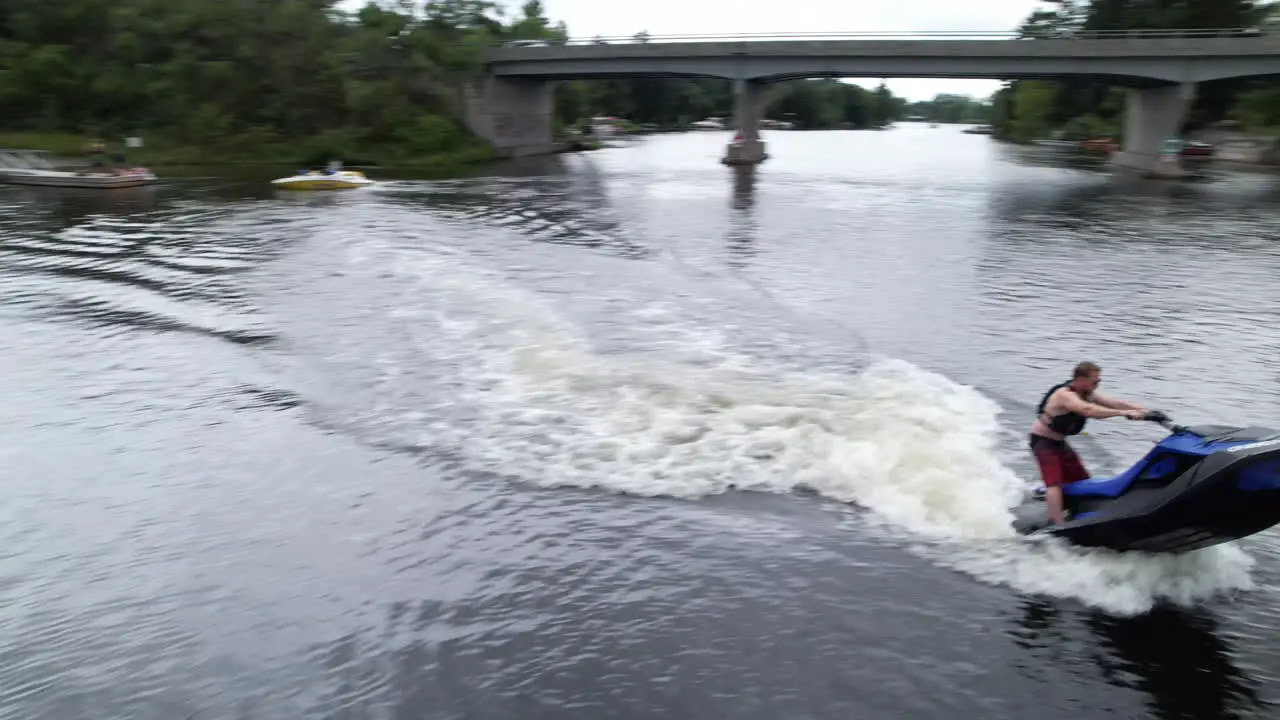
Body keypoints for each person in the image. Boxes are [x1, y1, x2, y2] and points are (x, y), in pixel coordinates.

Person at [1029, 361, 1147, 525]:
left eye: (1099, 381)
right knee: (1054, 483)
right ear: (1080, 379)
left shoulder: (1088, 393)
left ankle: (1077, 510)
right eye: (1095, 381)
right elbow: (1087, 410)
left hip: (1060, 443)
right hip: (1043, 442)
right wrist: (1124, 413)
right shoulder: (1065, 394)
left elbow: (1111, 402)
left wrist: (1141, 409)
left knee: (1082, 479)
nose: (1097, 385)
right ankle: (1058, 524)